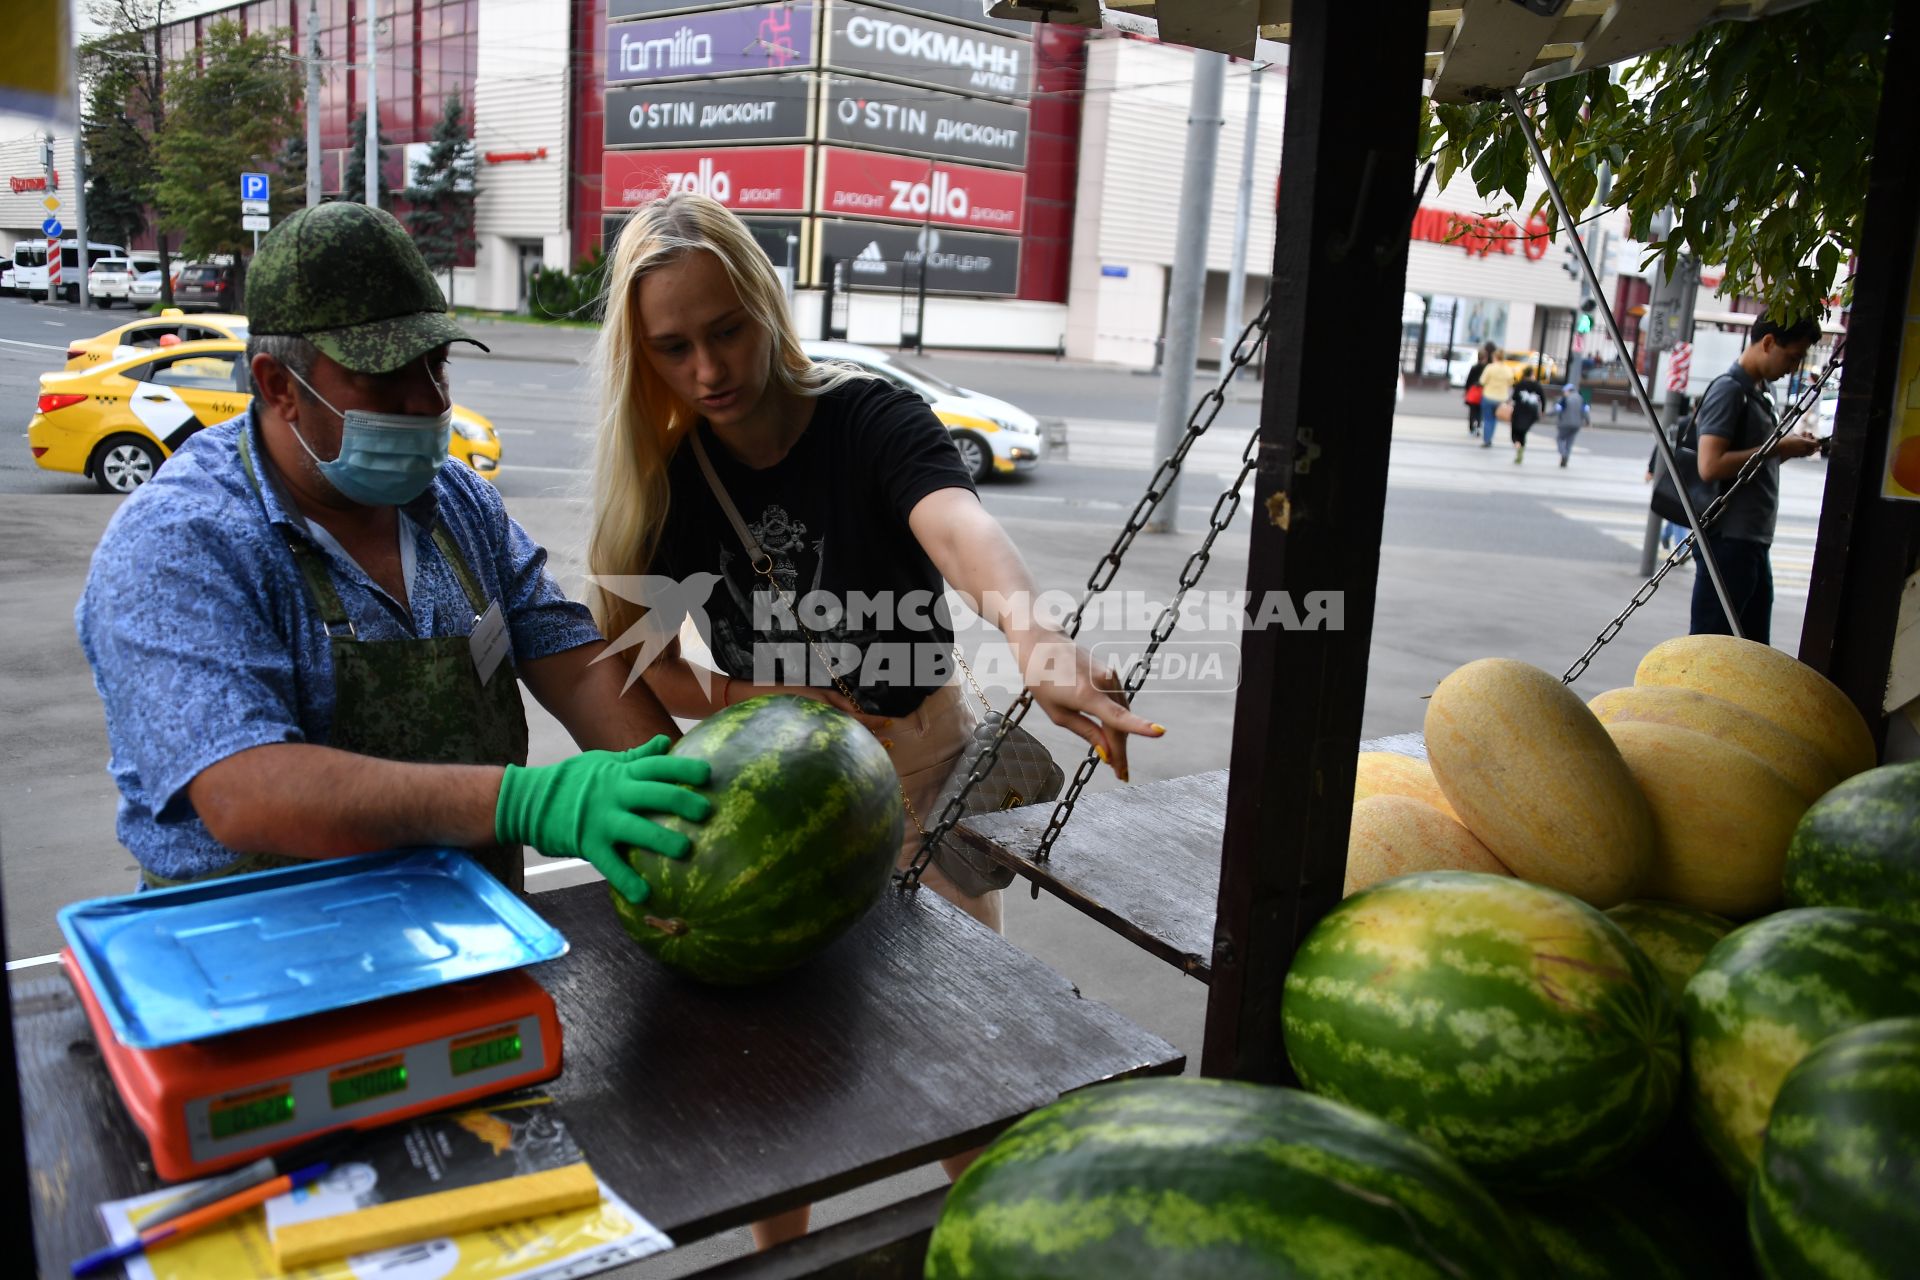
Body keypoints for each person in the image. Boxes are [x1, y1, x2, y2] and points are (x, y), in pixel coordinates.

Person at [583, 192, 1164, 1248]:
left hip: (918, 764)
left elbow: (957, 525)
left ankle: (988, 1248)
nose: (708, 368)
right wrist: (737, 701)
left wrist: (1035, 636)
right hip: (767, 796)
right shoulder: (668, 477)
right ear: (645, 355)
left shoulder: (871, 415)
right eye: (675, 348)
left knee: (956, 1054)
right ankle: (787, 1259)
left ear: (765, 304)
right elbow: (639, 651)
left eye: (726, 330)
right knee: (773, 1060)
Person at [76, 202, 710, 903]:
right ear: (277, 385)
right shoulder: (182, 543)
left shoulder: (460, 505)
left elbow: (579, 667)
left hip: (467, 941)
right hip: (260, 961)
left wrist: (689, 809)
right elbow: (243, 790)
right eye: (385, 378)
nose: (428, 402)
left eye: (436, 366)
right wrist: (526, 802)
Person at [1686, 315, 1824, 644]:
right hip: (1728, 539)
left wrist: (1788, 449)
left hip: (1751, 539)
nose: (1794, 367)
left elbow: (1753, 463)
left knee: (1752, 647)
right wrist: (1777, 447)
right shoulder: (1730, 390)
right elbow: (1710, 464)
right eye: (1793, 356)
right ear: (1768, 343)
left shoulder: (1761, 391)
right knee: (1713, 645)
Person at [1508, 366, 1546, 464]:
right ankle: (1521, 448)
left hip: (1519, 411)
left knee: (1515, 432)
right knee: (1523, 432)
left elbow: (1514, 397)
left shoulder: (1520, 384)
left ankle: (1517, 445)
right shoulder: (1537, 385)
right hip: (1531, 413)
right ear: (1532, 374)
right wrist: (1542, 410)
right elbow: (1543, 398)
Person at [1478, 352, 1514, 448]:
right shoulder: (1508, 369)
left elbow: (1482, 381)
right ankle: (1490, 438)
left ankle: (1487, 440)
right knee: (1495, 419)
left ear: (1495, 357)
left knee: (1487, 419)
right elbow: (1511, 382)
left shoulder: (1490, 367)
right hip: (1501, 398)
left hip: (1488, 396)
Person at [1553, 383, 1590, 469]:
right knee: (1569, 443)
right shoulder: (1581, 398)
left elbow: (1557, 409)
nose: (1564, 393)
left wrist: (1546, 414)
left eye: (1564, 391)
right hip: (1576, 425)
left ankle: (1563, 454)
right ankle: (1566, 459)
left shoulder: (1565, 399)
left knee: (1560, 439)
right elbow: (1585, 411)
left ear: (1568, 391)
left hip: (1564, 424)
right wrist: (1588, 422)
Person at [1462, 343, 1492, 435]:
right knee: (1480, 410)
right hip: (1483, 391)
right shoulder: (1488, 368)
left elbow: (1468, 380)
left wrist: (1466, 390)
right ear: (1485, 357)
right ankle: (1478, 426)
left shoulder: (1474, 367)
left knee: (1472, 410)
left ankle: (1471, 428)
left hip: (1473, 391)